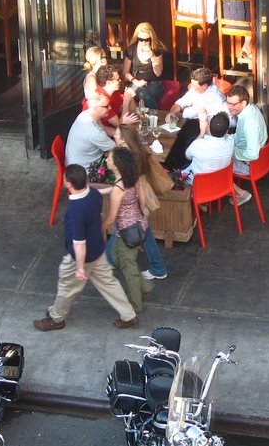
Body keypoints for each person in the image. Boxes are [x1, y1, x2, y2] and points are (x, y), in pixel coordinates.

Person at [35, 164, 138, 331]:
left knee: (67, 287)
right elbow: (101, 192)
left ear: (68, 184)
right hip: (98, 249)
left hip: (82, 256)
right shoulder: (93, 195)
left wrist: (80, 268)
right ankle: (128, 315)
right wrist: (113, 188)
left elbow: (79, 242)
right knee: (109, 282)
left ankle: (56, 318)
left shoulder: (75, 211)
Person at [113, 126, 170, 281]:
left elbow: (132, 185)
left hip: (136, 199)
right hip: (140, 196)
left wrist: (141, 206)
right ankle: (110, 259)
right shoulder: (139, 151)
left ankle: (158, 267)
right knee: (142, 230)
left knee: (137, 230)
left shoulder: (128, 158)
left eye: (117, 135)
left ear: (124, 140)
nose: (115, 137)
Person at [102, 148, 150, 317]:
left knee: (127, 266)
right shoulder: (133, 178)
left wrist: (99, 229)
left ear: (118, 164)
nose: (107, 160)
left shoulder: (118, 189)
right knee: (117, 257)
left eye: (110, 158)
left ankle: (135, 304)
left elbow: (111, 218)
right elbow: (142, 202)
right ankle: (144, 286)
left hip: (125, 231)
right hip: (138, 225)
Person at [163, 67, 228, 169]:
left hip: (214, 130)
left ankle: (180, 168)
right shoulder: (196, 90)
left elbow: (187, 114)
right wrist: (171, 112)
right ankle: (172, 163)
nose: (191, 87)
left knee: (183, 137)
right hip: (201, 122)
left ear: (205, 86)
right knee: (179, 134)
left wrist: (183, 109)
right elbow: (181, 102)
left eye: (194, 85)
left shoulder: (212, 96)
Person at [226, 84, 267, 206]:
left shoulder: (249, 123)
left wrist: (229, 152)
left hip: (250, 165)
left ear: (243, 103)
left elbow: (252, 154)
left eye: (233, 104)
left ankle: (241, 194)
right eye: (228, 103)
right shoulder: (251, 108)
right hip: (254, 156)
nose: (229, 107)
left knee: (214, 164)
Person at [66, 91, 115, 172]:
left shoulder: (86, 115)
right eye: (106, 106)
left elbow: (104, 128)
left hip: (78, 165)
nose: (110, 108)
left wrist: (121, 132)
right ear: (95, 107)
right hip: (84, 174)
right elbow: (116, 148)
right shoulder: (94, 132)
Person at [124, 23, 167, 109]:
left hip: (154, 83)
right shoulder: (131, 49)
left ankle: (150, 118)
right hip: (136, 82)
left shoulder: (156, 49)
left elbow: (158, 73)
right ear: (137, 38)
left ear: (151, 38)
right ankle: (154, 118)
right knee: (145, 95)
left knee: (148, 94)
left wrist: (153, 57)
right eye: (141, 39)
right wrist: (135, 81)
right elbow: (125, 73)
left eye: (147, 39)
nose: (144, 42)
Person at [182, 110, 233, 183]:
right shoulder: (230, 141)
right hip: (220, 183)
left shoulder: (198, 144)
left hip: (197, 184)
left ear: (209, 126)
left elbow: (187, 157)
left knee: (181, 165)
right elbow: (222, 136)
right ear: (227, 131)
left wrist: (202, 133)